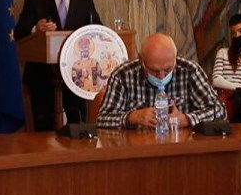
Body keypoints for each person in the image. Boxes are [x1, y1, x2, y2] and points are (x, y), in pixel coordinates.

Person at [13, 0, 103, 131]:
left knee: (78, 126)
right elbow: (20, 32)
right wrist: (36, 29)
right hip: (43, 75)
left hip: (77, 75)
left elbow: (97, 29)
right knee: (43, 130)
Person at [95, 32, 225, 130]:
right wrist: (132, 117)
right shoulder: (123, 75)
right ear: (141, 60)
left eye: (168, 70)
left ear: (175, 59)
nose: (161, 77)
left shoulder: (190, 71)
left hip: (181, 148)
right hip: (137, 149)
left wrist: (186, 119)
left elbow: (219, 111)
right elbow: (102, 120)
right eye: (154, 71)